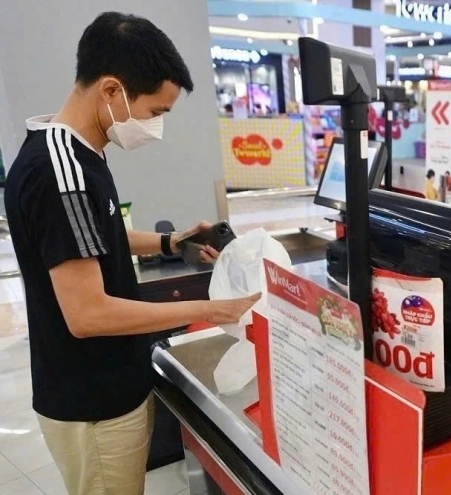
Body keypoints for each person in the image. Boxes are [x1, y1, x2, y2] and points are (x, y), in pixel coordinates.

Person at [3, 12, 260, 495]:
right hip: (93, 401)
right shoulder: (60, 174)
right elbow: (88, 314)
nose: (155, 126)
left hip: (109, 384)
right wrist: (212, 309)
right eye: (155, 111)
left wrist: (171, 241)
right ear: (111, 90)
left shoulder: (77, 152)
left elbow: (95, 236)